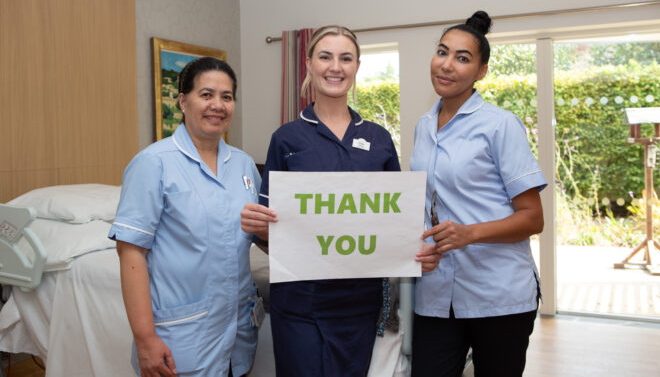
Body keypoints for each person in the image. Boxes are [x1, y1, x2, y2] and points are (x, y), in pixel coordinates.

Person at [240, 25, 440, 377]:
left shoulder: (377, 139)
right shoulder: (286, 139)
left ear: (357, 67)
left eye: (346, 58)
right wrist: (260, 227)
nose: (336, 67)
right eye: (325, 57)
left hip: (359, 304)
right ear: (308, 64)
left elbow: (398, 224)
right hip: (299, 303)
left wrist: (417, 252)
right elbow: (270, 234)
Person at [409, 11, 547, 377]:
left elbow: (533, 218)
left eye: (463, 58)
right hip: (436, 295)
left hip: (498, 294)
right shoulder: (423, 126)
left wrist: (469, 233)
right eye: (442, 52)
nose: (447, 65)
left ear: (481, 71)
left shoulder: (500, 125)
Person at [109, 57, 260, 377]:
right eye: (206, 95)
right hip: (181, 340)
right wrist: (145, 339)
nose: (217, 105)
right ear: (182, 100)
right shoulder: (153, 163)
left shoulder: (245, 165)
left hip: (238, 338)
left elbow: (260, 233)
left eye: (227, 96)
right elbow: (131, 252)